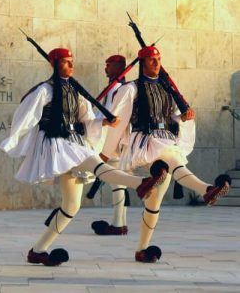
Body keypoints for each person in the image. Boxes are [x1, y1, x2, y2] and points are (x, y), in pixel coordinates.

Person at [0, 47, 169, 266]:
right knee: (95, 164)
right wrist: (14, 140)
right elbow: (25, 116)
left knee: (71, 206)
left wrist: (103, 123)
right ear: (54, 65)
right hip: (57, 145)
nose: (71, 66)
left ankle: (37, 250)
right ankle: (141, 183)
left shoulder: (75, 90)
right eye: (66, 62)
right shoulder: (44, 90)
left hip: (74, 141)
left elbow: (87, 120)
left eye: (72, 61)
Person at [99, 45, 231, 263]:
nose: (157, 63)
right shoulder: (130, 89)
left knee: (154, 204)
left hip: (165, 139)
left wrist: (186, 117)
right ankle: (206, 189)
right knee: (172, 157)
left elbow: (176, 116)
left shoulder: (167, 89)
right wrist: (105, 152)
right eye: (152, 60)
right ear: (142, 64)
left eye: (159, 59)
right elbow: (118, 121)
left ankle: (142, 249)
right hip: (145, 142)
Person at [91, 55, 131, 235]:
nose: (105, 69)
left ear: (118, 67)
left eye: (108, 66)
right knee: (118, 182)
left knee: (118, 182)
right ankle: (120, 223)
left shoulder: (120, 90)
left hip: (115, 141)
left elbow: (116, 119)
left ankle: (118, 224)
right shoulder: (112, 89)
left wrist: (106, 148)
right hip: (111, 141)